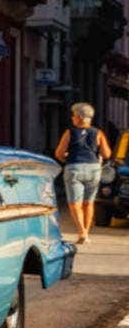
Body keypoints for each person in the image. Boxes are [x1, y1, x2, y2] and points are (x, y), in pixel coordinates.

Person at [54, 102, 112, 244]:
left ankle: (82, 232)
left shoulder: (69, 132)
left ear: (80, 117)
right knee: (89, 203)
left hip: (74, 168)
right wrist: (98, 156)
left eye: (74, 116)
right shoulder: (98, 133)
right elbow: (107, 153)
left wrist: (66, 157)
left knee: (75, 203)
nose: (72, 118)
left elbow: (59, 153)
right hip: (93, 169)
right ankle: (86, 233)